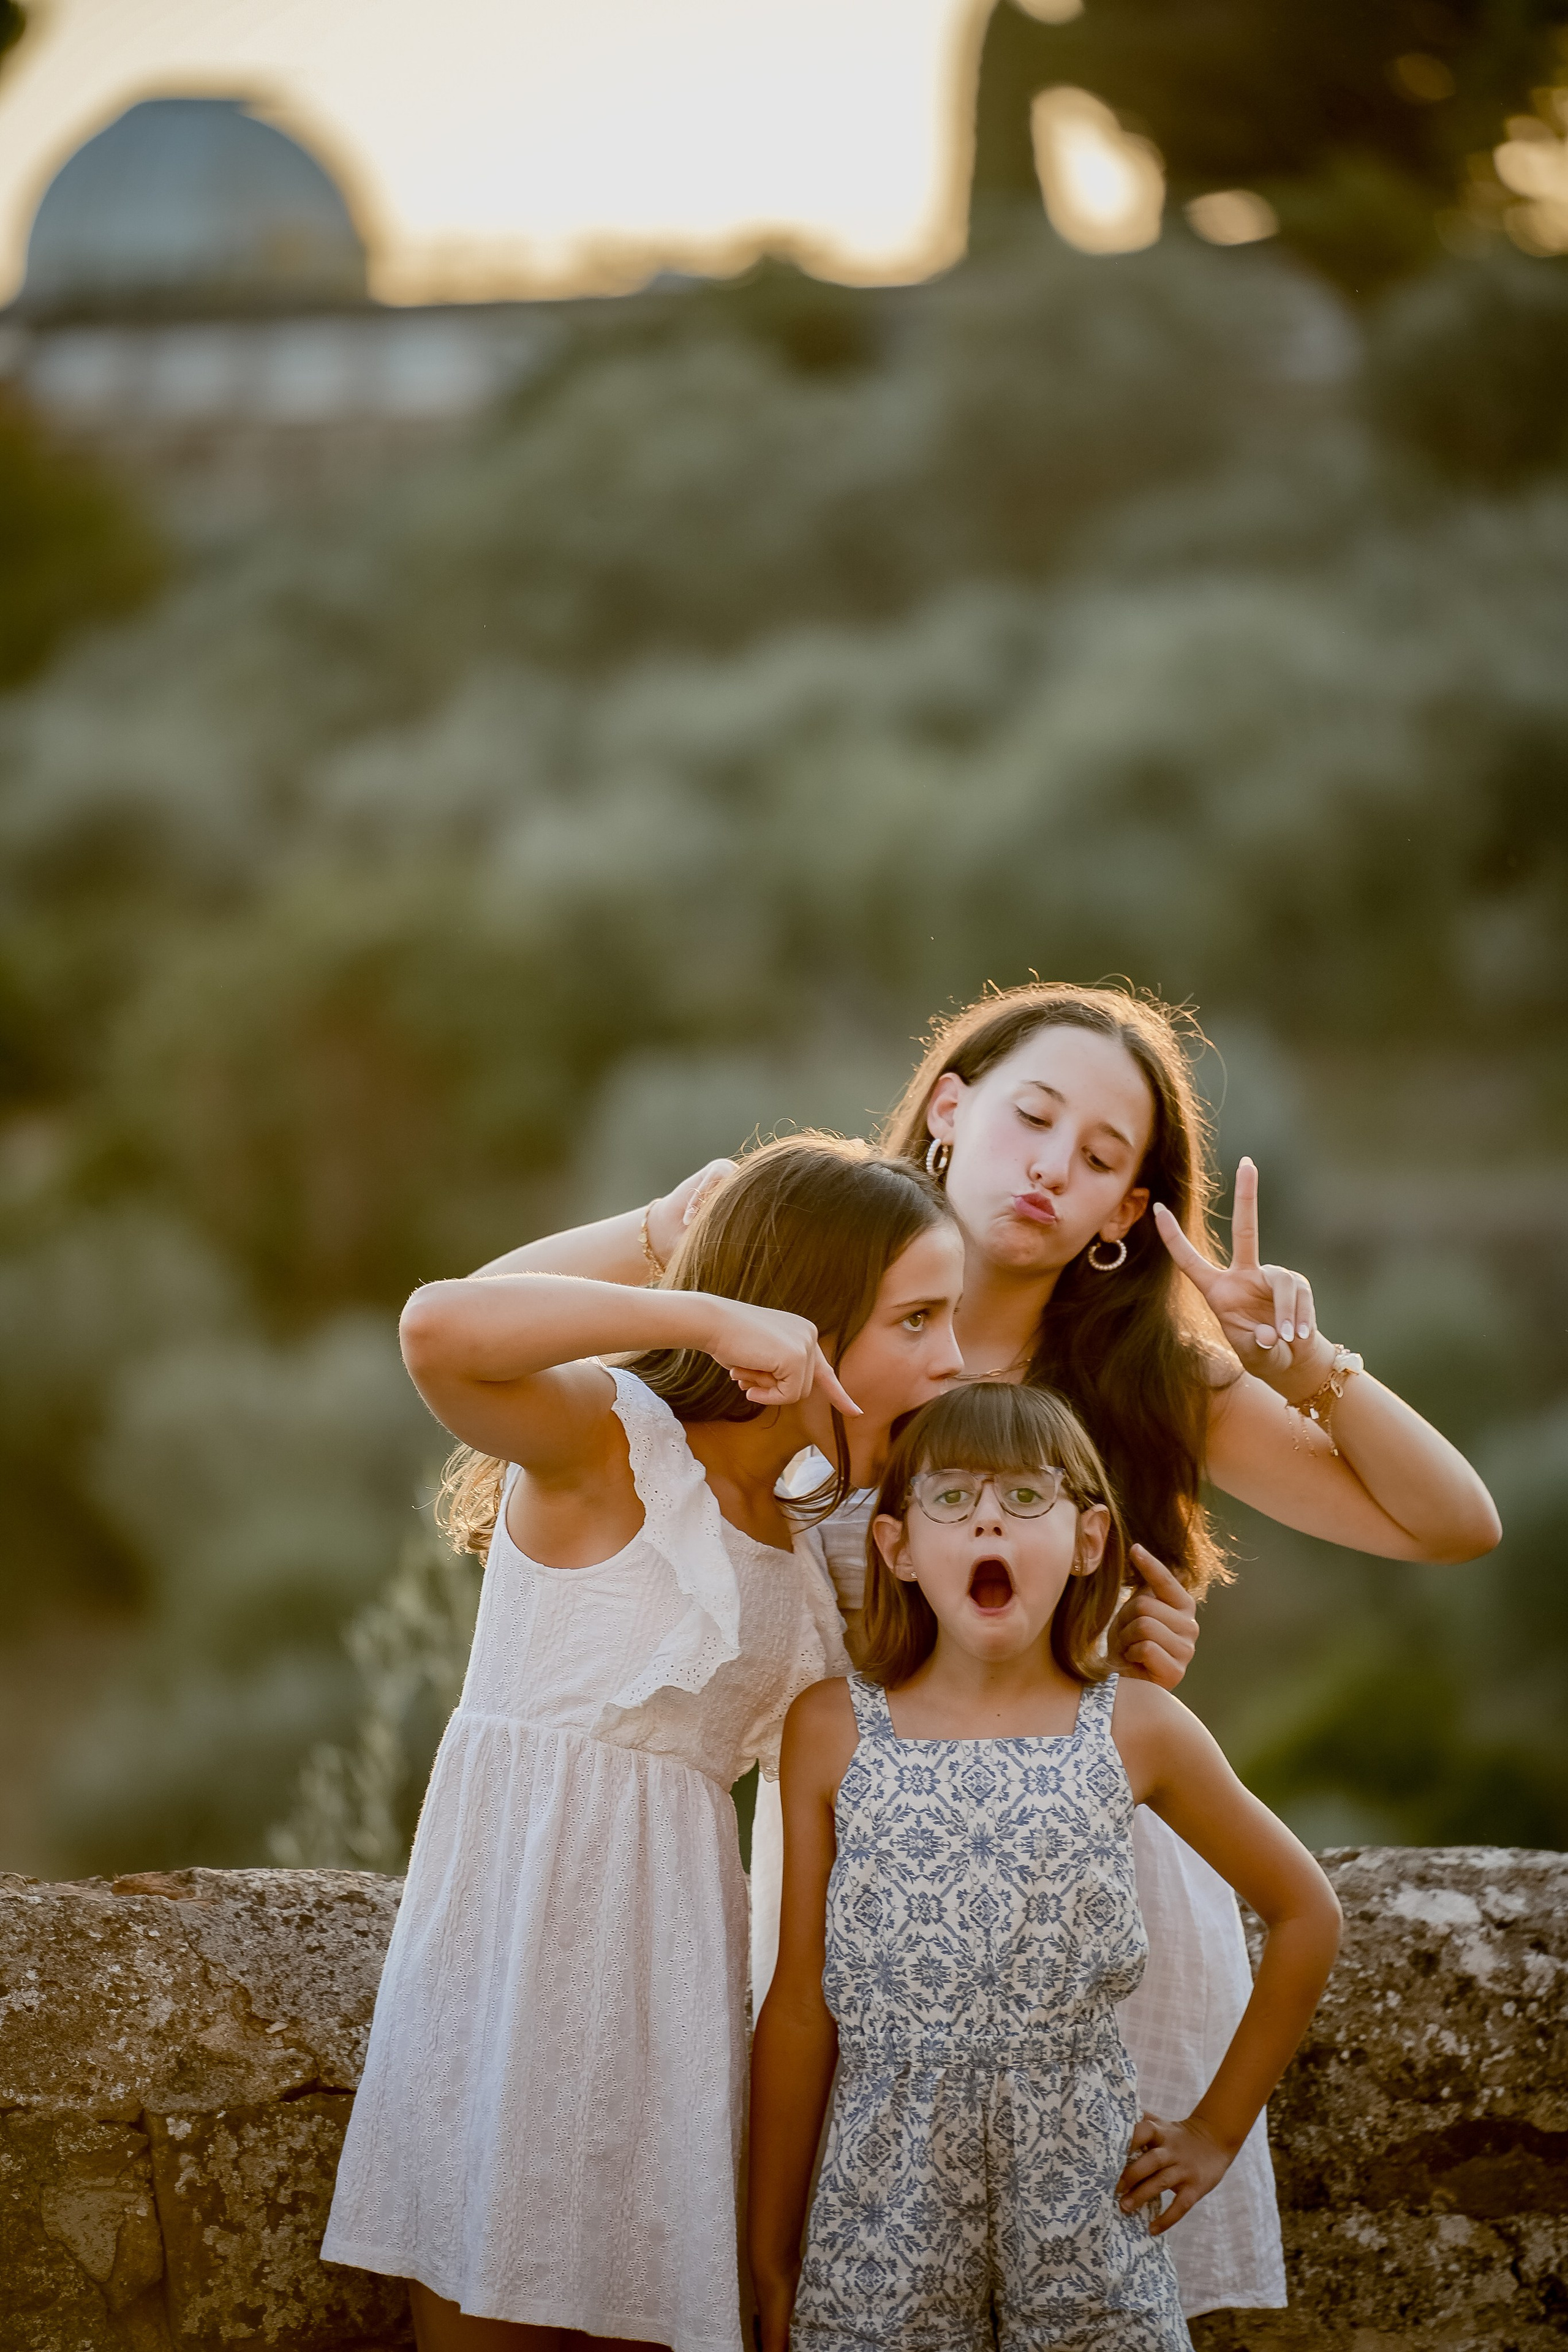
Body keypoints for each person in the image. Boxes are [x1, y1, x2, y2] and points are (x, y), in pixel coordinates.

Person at [467, 978, 1501, 2317]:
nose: (1052, 1169)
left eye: (1100, 1161)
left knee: (1101, 2297)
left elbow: (1450, 1525)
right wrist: (670, 1232)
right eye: (1033, 1116)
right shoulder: (809, 1306)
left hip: (1087, 1898)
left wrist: (1298, 1364)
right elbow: (475, 1325)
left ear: (1126, 1215)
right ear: (948, 1109)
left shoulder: (1152, 1378)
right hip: (866, 1905)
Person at [321, 1135, 967, 2352]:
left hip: (670, 2012)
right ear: (809, 1326)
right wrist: (690, 1284)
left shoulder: (825, 1549)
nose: (952, 1357)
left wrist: (1121, 1644)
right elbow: (438, 1327)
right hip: (511, 1981)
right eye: (918, 1319)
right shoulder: (609, 1440)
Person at [748, 1382, 1342, 2352]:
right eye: (951, 1498)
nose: (988, 1516)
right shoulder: (829, 1729)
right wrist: (772, 2262)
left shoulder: (1140, 1728)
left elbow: (1306, 1913)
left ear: (1089, 1541)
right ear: (895, 1547)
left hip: (1084, 2214)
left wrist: (1216, 2133)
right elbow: (803, 2004)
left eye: (1027, 1497)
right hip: (879, 2216)